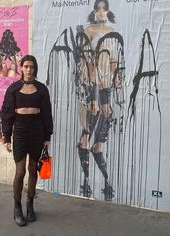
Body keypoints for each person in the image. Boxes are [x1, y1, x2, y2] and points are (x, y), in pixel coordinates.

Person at [75, 0, 123, 200]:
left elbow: (113, 60)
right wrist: (90, 87)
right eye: (98, 8)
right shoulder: (87, 31)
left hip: (106, 86)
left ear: (108, 11)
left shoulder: (112, 31)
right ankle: (86, 183)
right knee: (87, 132)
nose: (101, 11)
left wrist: (116, 77)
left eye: (104, 8)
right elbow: (83, 61)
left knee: (105, 124)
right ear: (94, 11)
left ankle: (105, 183)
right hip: (92, 86)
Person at [1, 55, 53, 226]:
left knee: (33, 169)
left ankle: (30, 205)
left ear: (35, 69)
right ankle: (17, 207)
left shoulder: (42, 89)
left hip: (37, 130)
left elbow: (46, 114)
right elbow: (7, 114)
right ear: (21, 68)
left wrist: (47, 137)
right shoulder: (13, 89)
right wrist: (7, 137)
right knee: (20, 171)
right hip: (21, 130)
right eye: (26, 66)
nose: (29, 70)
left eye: (32, 67)